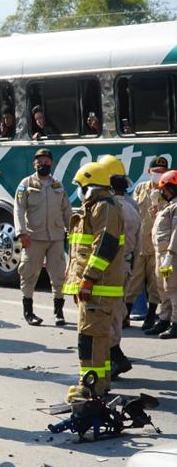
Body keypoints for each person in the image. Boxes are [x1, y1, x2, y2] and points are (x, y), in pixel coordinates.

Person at [62, 162, 124, 403]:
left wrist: (87, 280)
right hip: (95, 286)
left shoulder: (104, 207)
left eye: (79, 185)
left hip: (98, 286)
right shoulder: (96, 207)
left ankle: (90, 385)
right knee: (98, 337)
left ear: (89, 185)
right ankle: (101, 381)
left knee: (89, 337)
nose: (77, 189)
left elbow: (104, 246)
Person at [14, 148, 72, 326]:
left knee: (58, 275)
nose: (43, 164)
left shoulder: (58, 185)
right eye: (39, 161)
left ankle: (59, 312)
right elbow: (18, 208)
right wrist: (21, 232)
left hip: (55, 237)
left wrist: (71, 231)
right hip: (34, 237)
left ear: (51, 163)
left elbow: (66, 209)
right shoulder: (26, 183)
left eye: (46, 161)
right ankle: (28, 311)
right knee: (29, 274)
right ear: (34, 164)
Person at [100, 155, 136, 379]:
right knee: (118, 311)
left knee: (107, 313)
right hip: (127, 264)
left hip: (111, 267)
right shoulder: (133, 207)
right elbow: (140, 242)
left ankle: (115, 357)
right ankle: (114, 356)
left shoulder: (111, 209)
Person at [129, 156, 170, 334]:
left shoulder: (167, 192)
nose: (158, 175)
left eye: (162, 172)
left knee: (155, 284)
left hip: (157, 246)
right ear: (149, 172)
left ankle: (151, 316)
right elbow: (132, 212)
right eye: (156, 172)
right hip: (139, 244)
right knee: (133, 280)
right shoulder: (140, 188)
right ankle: (125, 315)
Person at [152, 170, 177, 340]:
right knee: (162, 288)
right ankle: (164, 319)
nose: (163, 193)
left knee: (173, 289)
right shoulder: (169, 206)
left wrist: (170, 253)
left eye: (165, 190)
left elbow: (176, 231)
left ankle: (175, 324)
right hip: (160, 254)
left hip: (170, 255)